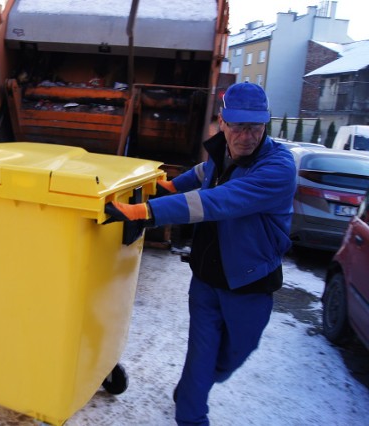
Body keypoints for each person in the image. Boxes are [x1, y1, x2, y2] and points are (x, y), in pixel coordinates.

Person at [105, 82, 296, 425]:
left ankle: (198, 385)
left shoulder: (278, 168)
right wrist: (170, 186)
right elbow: (205, 172)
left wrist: (147, 211)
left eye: (255, 127)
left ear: (265, 125)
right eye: (238, 126)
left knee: (234, 355)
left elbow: (218, 201)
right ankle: (191, 411)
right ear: (223, 122)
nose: (246, 136)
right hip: (207, 277)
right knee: (201, 355)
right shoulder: (221, 152)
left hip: (249, 284)